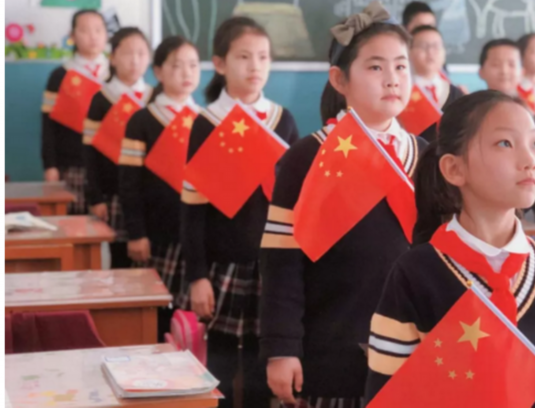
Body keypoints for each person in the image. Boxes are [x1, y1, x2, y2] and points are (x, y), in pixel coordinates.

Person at [366, 90, 535, 407]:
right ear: (454, 169)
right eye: (505, 143)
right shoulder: (416, 274)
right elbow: (386, 392)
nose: (530, 160)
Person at [259, 2, 427, 406]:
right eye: (375, 67)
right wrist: (282, 347)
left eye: (401, 66)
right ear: (339, 79)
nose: (392, 79)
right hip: (330, 348)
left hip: (413, 354)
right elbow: (281, 261)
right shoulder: (307, 157)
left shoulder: (427, 157)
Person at [181, 16, 299, 408]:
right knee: (220, 364)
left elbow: (295, 201)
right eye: (244, 57)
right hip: (224, 265)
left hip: (273, 264)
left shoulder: (283, 120)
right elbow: (192, 211)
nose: (255, 66)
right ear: (219, 63)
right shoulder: (207, 123)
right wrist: (197, 275)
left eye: (263, 57)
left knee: (264, 363)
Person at [119, 36, 201, 340]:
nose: (187, 73)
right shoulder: (142, 120)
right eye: (177, 65)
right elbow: (129, 182)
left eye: (193, 65)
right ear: (158, 72)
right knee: (156, 313)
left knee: (190, 315)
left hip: (194, 234)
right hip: (155, 233)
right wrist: (136, 232)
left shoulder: (206, 119)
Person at [83, 27, 152, 268]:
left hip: (149, 193)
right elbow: (90, 153)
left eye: (141, 53)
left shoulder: (153, 98)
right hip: (114, 192)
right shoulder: (102, 98)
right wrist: (96, 196)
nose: (135, 60)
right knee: (121, 260)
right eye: (127, 53)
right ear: (112, 58)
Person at [41, 9, 109, 214]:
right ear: (72, 35)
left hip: (110, 165)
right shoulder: (60, 75)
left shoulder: (114, 74)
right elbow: (48, 125)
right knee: (73, 223)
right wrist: (50, 165)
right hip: (72, 165)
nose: (93, 36)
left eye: (98, 30)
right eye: (85, 30)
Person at [478, 38, 535, 170]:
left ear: (522, 71)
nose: (504, 71)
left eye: (511, 64)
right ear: (481, 72)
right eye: (496, 64)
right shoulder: (473, 110)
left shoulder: (529, 108)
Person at [409, 25, 464, 142]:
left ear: (444, 52)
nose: (430, 52)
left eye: (436, 46)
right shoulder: (402, 91)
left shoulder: (456, 94)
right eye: (423, 46)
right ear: (409, 52)